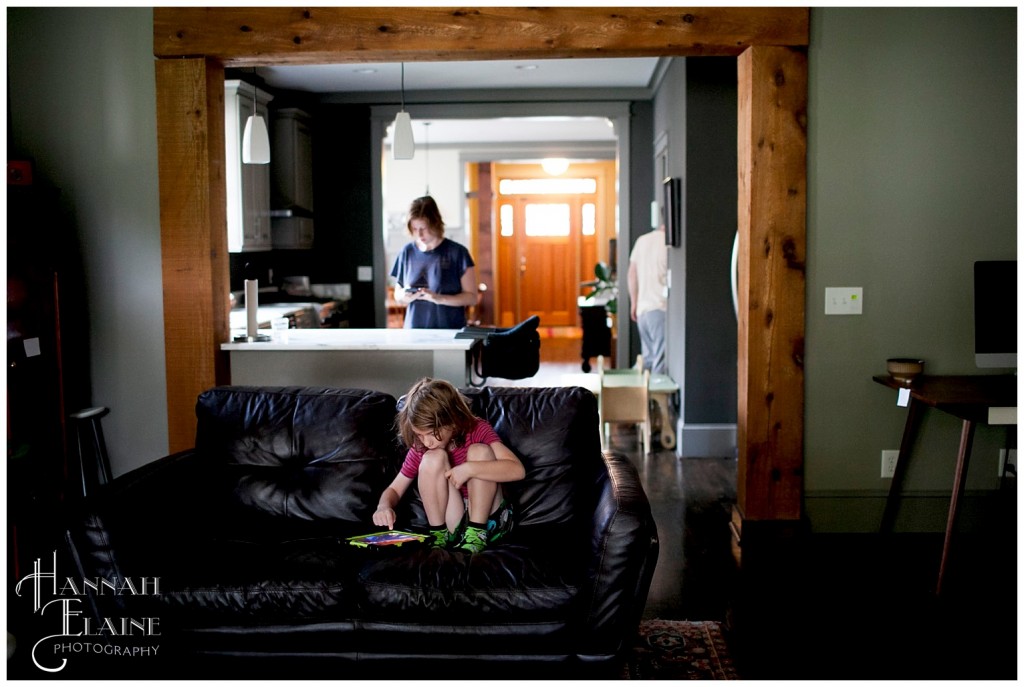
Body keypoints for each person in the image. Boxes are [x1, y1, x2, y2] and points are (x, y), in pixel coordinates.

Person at [372, 378, 525, 553]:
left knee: (479, 451)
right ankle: (439, 534)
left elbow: (517, 470)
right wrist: (383, 506)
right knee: (431, 458)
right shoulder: (422, 446)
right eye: (419, 435)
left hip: (490, 519)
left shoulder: (477, 429)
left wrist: (469, 469)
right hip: (456, 522)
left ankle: (476, 533)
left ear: (452, 421)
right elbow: (395, 489)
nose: (427, 441)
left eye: (431, 433)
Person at [390, 196, 478, 329]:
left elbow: (472, 298)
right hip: (414, 332)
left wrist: (439, 298)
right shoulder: (406, 252)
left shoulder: (458, 253)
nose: (419, 234)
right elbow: (398, 294)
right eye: (414, 228)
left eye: (424, 228)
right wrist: (405, 296)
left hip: (450, 332)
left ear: (435, 223)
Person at [628, 224, 668, 375]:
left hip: (642, 311)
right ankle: (654, 398)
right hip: (659, 308)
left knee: (648, 359)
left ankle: (637, 395)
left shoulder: (641, 241)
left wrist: (634, 302)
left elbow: (632, 273)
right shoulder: (668, 243)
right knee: (659, 361)